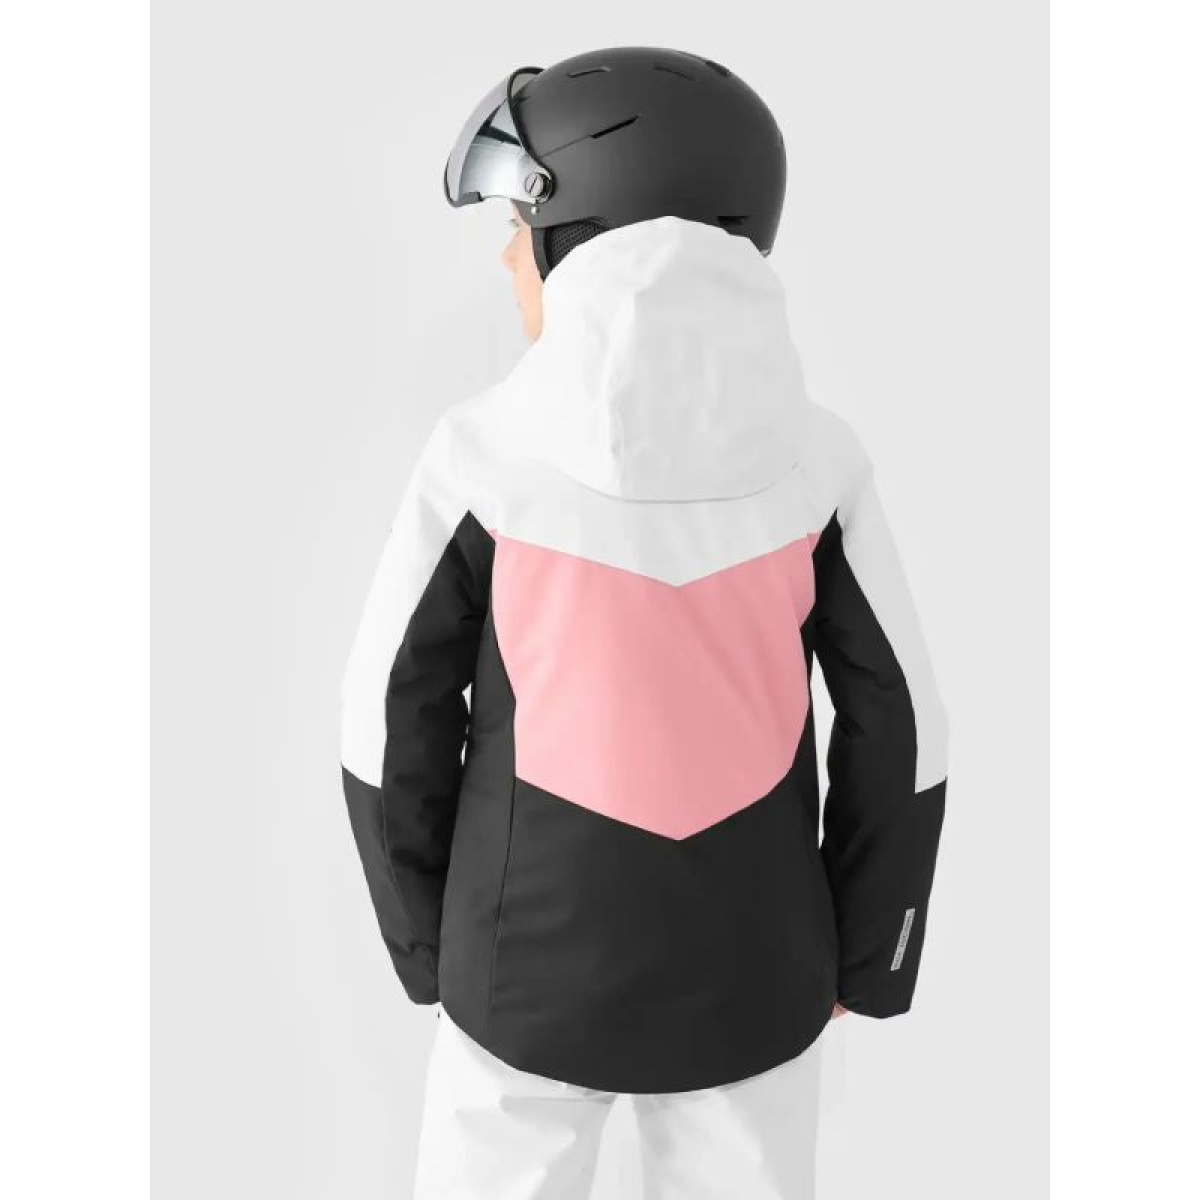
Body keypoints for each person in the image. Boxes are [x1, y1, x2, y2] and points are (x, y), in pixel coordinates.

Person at [339, 46, 949, 1199]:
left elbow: (386, 719)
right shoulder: (819, 463)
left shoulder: (481, 459)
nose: (507, 257)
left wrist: (430, 947)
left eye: (518, 228)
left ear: (583, 240)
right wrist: (866, 955)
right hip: (755, 972)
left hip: (519, 971)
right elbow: (903, 725)